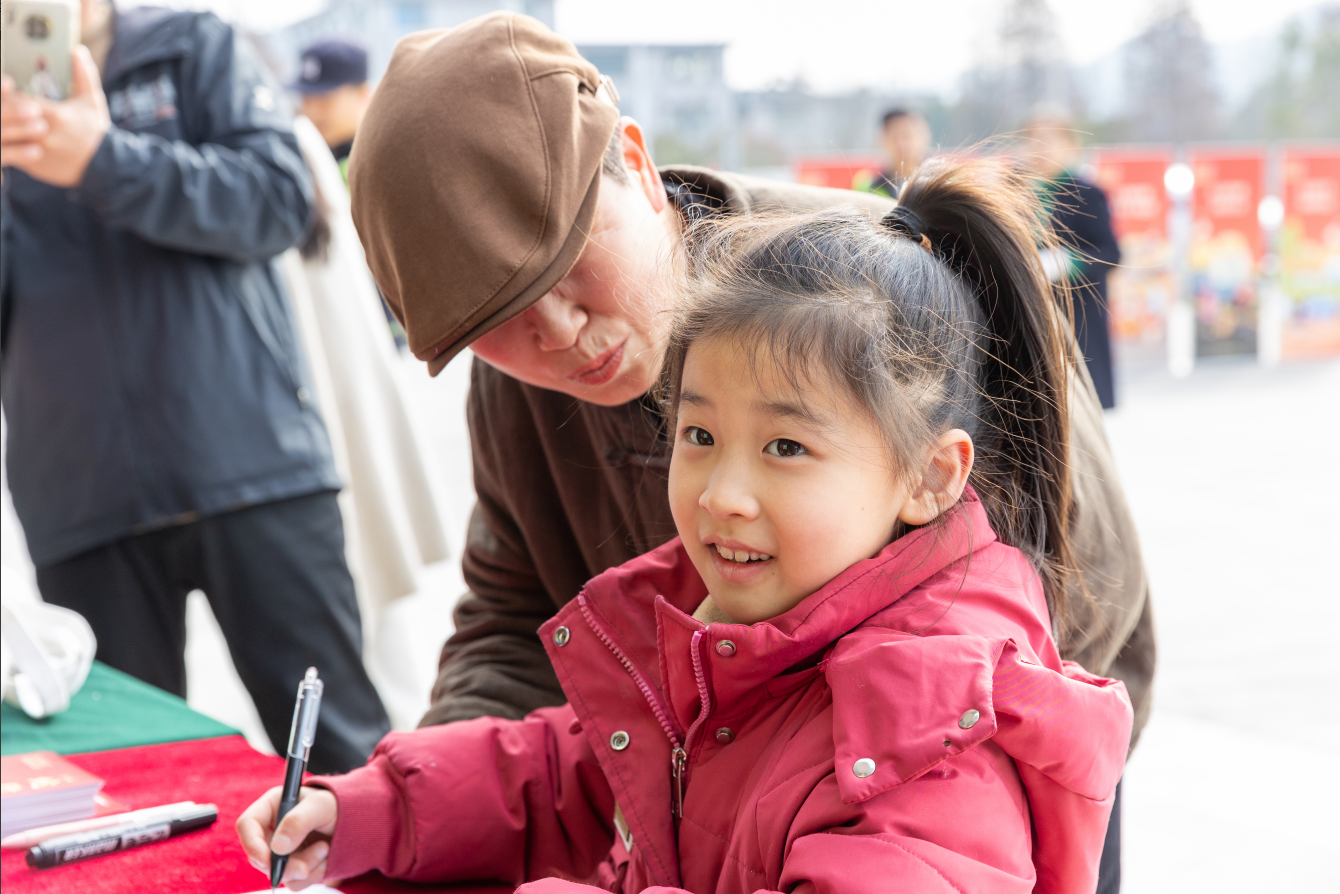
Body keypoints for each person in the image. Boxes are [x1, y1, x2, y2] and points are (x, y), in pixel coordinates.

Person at [270, 11, 1151, 881]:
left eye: (566, 262)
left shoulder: (871, 298)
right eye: (499, 320)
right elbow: (524, 654)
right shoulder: (524, 397)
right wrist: (393, 818)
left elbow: (1084, 593)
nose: (561, 331)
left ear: (639, 164)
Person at [0, 0, 390, 773]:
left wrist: (103, 161)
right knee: (127, 784)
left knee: (342, 759)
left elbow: (281, 201)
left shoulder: (193, 47)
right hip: (82, 502)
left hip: (252, 465)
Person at [1023, 109, 1122, 410]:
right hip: (1031, 308)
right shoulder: (1017, 191)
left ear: (1070, 145)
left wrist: (1067, 263)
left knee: (1081, 403)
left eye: (1050, 140)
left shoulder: (1087, 193)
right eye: (1033, 140)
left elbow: (1111, 253)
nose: (1041, 148)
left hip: (1078, 311)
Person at [293, 39, 371, 180]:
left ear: (362, 93)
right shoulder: (300, 160)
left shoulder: (384, 156)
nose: (312, 111)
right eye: (306, 99)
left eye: (324, 99)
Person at [859, 107, 932, 197]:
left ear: (926, 136)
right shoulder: (866, 186)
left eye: (909, 135)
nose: (903, 144)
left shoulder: (946, 182)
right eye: (896, 136)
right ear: (883, 139)